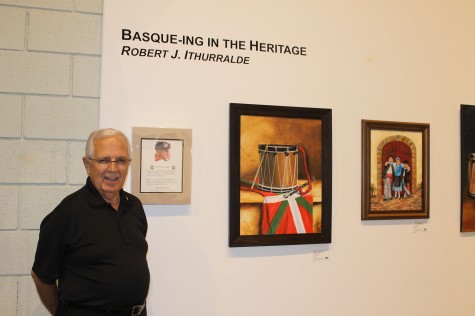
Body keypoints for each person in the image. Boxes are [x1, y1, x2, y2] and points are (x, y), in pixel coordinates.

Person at [31, 128, 149, 316]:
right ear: (87, 164)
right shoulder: (68, 213)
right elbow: (41, 276)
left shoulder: (134, 206)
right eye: (103, 160)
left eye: (121, 160)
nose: (113, 169)